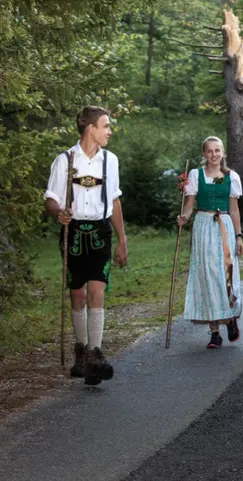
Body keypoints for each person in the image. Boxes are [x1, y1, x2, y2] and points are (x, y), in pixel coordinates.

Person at [44, 106, 128, 385]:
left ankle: (95, 354)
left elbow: (114, 201)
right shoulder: (66, 160)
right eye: (105, 126)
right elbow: (50, 198)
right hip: (75, 232)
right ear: (90, 128)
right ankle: (81, 351)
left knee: (96, 290)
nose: (109, 131)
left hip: (100, 233)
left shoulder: (110, 161)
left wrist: (122, 240)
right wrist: (59, 213)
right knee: (77, 295)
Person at [177, 136, 243, 349]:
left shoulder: (231, 177)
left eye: (217, 150)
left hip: (223, 225)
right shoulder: (196, 175)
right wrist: (184, 217)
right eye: (209, 151)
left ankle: (230, 316)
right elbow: (189, 205)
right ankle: (214, 331)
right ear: (204, 153)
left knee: (225, 273)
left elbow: (234, 209)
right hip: (203, 225)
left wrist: (239, 235)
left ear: (222, 152)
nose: (213, 155)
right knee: (206, 275)